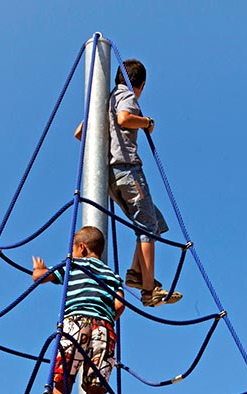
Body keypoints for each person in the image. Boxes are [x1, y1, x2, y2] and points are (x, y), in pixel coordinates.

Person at [75, 58, 182, 308]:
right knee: (146, 225)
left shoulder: (103, 100)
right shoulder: (126, 96)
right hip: (127, 169)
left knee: (154, 222)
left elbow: (80, 133)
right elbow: (124, 118)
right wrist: (147, 123)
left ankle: (136, 273)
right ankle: (148, 289)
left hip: (110, 178)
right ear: (140, 85)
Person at [31, 225, 123, 394]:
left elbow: (41, 278)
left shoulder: (72, 265)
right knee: (96, 386)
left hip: (73, 325)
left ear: (81, 248)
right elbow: (120, 305)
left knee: (62, 379)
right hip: (102, 327)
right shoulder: (112, 275)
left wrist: (39, 270)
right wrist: (104, 315)